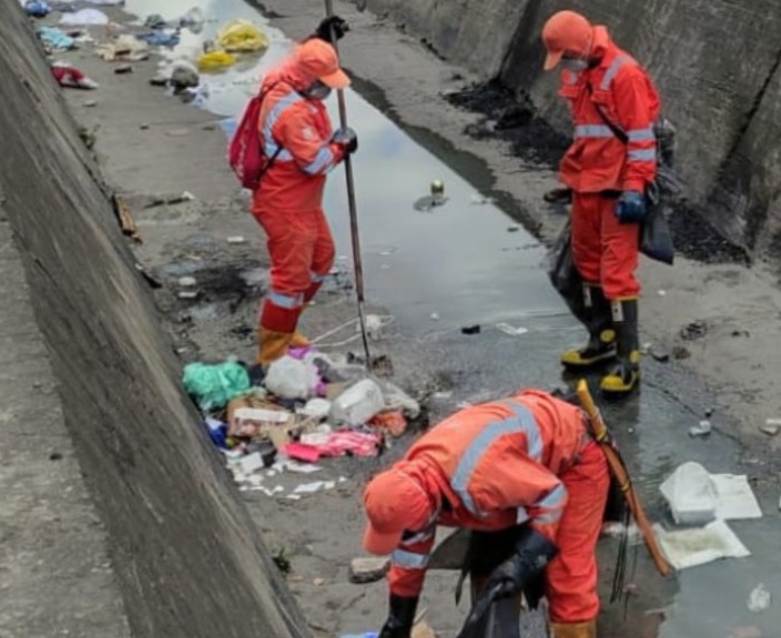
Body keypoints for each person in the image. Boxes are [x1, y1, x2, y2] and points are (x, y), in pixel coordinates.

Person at [360, 390, 611, 638]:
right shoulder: (410, 484)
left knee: (566, 573)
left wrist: (525, 560)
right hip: (513, 470)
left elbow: (554, 498)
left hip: (574, 458)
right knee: (489, 565)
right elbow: (409, 557)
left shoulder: (477, 481)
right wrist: (398, 621)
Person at [542, 10, 661, 396]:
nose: (565, 66)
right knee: (587, 263)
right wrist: (572, 180)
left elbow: (642, 139)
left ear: (578, 48)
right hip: (587, 185)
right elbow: (586, 134)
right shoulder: (580, 72)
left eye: (566, 57)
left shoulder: (623, 74)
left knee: (616, 273)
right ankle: (601, 342)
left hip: (617, 189)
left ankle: (629, 361)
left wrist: (634, 188)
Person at [251, 36, 359, 364]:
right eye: (324, 84)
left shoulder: (287, 82)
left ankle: (287, 328)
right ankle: (272, 353)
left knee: (321, 259)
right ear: (308, 79)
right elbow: (315, 162)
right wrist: (341, 147)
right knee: (291, 279)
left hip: (303, 201)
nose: (328, 90)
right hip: (284, 203)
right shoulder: (292, 112)